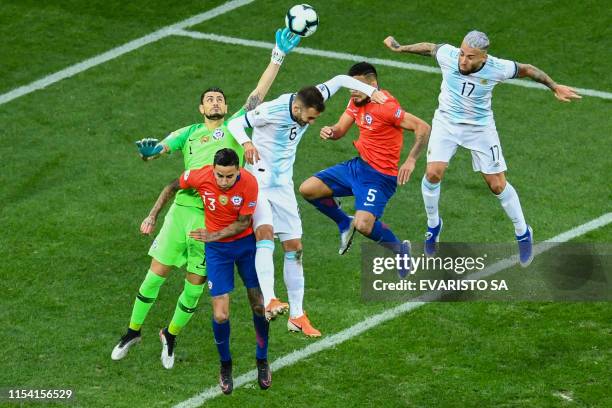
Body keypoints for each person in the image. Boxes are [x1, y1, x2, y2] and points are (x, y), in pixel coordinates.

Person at [110, 28, 300, 368]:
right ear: (201, 107)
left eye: (220, 99)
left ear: (226, 107)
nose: (215, 101)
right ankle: (132, 330)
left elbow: (258, 93)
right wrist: (150, 152)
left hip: (215, 221)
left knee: (195, 286)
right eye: (209, 99)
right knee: (155, 274)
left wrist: (277, 55)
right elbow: (158, 150)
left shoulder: (238, 126)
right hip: (182, 212)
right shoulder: (189, 133)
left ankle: (170, 335)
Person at [383, 30, 581, 265]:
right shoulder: (450, 55)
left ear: (483, 58)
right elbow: (430, 47)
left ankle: (523, 232)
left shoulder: (498, 67)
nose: (463, 60)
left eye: (470, 57)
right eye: (462, 53)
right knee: (432, 173)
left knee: (497, 184)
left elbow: (527, 69)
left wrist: (554, 86)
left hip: (480, 129)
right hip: (446, 123)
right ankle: (433, 225)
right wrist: (400, 47)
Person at [227, 74, 388, 336]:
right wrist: (246, 142)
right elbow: (236, 123)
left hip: (282, 185)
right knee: (265, 234)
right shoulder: (273, 109)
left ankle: (297, 316)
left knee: (295, 247)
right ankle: (269, 299)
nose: (312, 123)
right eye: (310, 118)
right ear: (297, 108)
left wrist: (370, 92)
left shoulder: (310, 99)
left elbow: (339, 80)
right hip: (257, 182)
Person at [299, 62, 430, 269]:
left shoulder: (386, 106)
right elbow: (340, 129)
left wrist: (411, 159)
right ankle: (344, 222)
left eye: (357, 86)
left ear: (373, 85)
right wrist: (331, 131)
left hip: (380, 177)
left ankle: (400, 250)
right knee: (308, 189)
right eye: (350, 86)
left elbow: (422, 127)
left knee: (364, 225)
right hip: (357, 167)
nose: (352, 92)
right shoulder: (356, 102)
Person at [178, 148, 267, 394]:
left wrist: (213, 235)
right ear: (213, 170)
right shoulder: (202, 176)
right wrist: (153, 215)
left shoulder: (249, 182)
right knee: (220, 315)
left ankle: (262, 358)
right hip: (217, 252)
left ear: (238, 170)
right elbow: (173, 185)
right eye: (220, 176)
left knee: (258, 304)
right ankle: (225, 365)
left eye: (229, 176)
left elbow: (243, 222)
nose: (224, 182)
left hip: (245, 245)